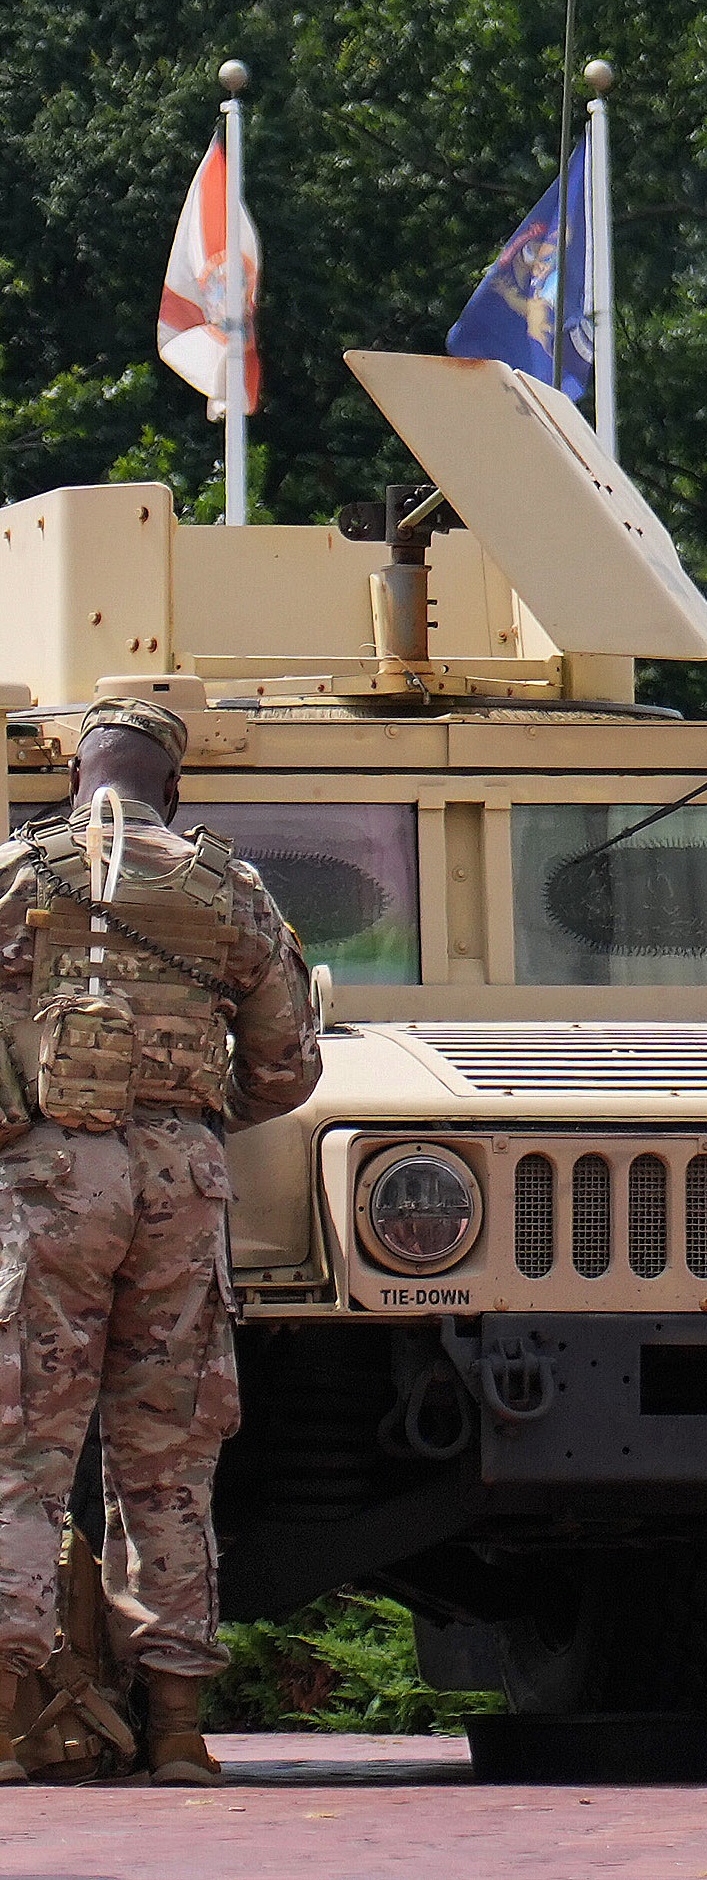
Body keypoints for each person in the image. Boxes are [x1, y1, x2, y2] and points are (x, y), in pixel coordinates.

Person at [0, 695, 320, 1787]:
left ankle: (11, 1714)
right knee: (170, 1456)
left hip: (51, 1179)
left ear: (76, 776)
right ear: (170, 786)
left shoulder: (19, 871)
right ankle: (179, 1723)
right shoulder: (227, 885)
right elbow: (287, 1064)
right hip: (182, 1180)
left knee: (24, 1452)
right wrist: (186, 1113)